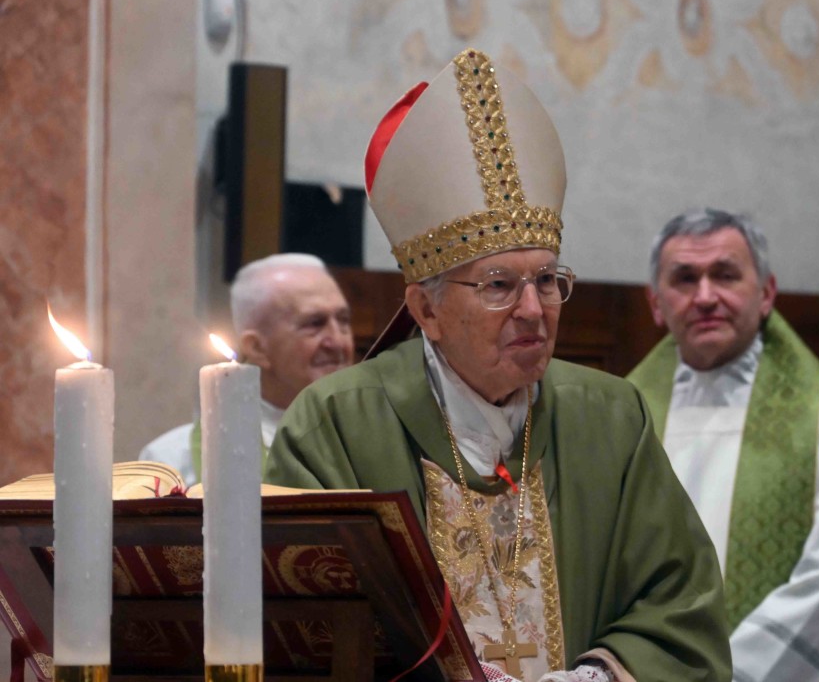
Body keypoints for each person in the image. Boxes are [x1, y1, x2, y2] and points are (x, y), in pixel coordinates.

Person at [266, 49, 731, 681]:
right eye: (498, 286)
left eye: (547, 280)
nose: (533, 310)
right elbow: (304, 633)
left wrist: (595, 678)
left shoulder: (613, 417)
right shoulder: (336, 428)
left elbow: (683, 604)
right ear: (426, 311)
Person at [627, 208, 819, 681]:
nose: (706, 297)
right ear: (656, 304)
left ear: (766, 293)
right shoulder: (623, 416)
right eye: (685, 279)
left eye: (725, 275)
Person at [139, 253, 354, 485]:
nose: (338, 342)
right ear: (257, 347)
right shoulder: (173, 462)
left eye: (343, 320)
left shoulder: (372, 435)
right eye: (314, 324)